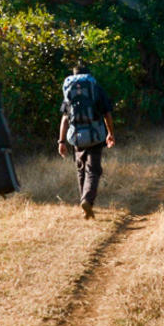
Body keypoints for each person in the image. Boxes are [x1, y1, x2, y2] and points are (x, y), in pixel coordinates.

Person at [57, 62, 116, 219]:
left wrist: (61, 142)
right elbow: (107, 114)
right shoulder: (95, 89)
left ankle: (85, 202)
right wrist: (110, 133)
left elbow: (64, 119)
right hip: (95, 136)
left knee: (81, 169)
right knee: (93, 170)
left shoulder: (69, 91)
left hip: (77, 138)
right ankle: (87, 200)